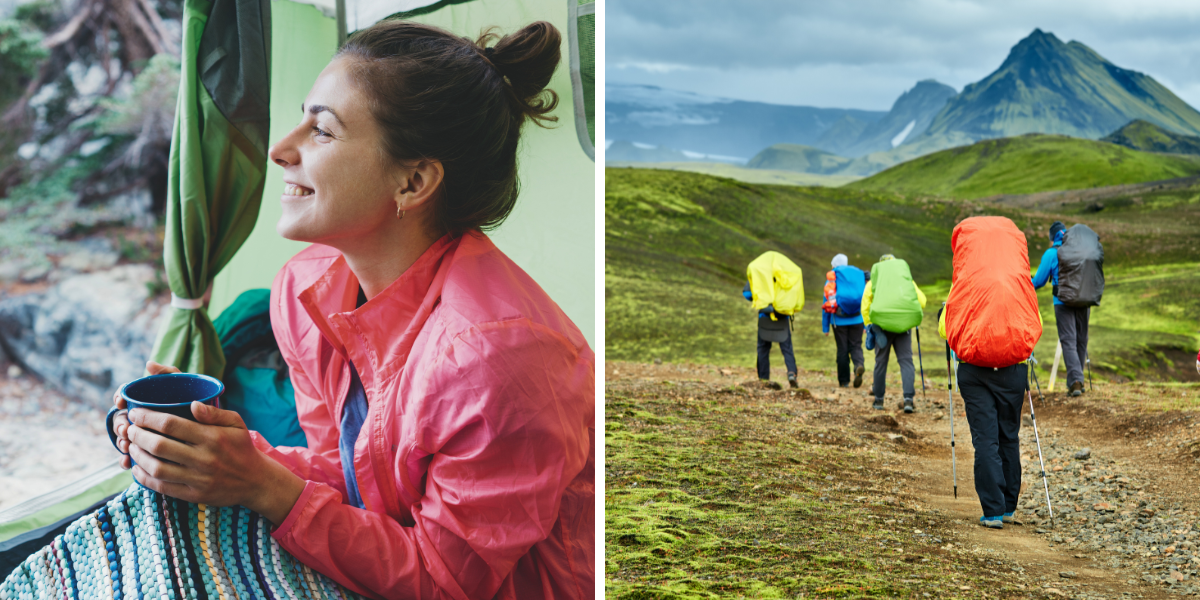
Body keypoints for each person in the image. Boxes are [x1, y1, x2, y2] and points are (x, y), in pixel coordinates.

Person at [111, 20, 594, 599]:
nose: (280, 149)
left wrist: (265, 486)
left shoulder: (499, 358)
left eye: (322, 131)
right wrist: (220, 450)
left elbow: (445, 582)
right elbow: (349, 477)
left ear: (413, 180)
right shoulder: (307, 291)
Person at [941, 216, 1042, 530]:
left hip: (975, 372)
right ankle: (1009, 505)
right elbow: (1032, 322)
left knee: (986, 440)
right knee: (1008, 436)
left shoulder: (965, 284)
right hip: (1013, 371)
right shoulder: (1019, 284)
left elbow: (945, 328)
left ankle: (993, 511)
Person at [861, 254, 926, 412]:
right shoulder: (905, 280)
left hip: (882, 325)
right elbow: (922, 301)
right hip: (903, 326)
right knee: (906, 361)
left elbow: (865, 303)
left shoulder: (875, 280)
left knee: (880, 362)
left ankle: (878, 400)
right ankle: (908, 400)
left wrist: (869, 324)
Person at [1032, 221, 1090, 397]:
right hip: (1084, 299)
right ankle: (1077, 379)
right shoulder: (1080, 250)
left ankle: (1075, 382)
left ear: (1053, 238)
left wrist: (1024, 283)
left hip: (1062, 301)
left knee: (1068, 340)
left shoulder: (1051, 253)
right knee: (1080, 339)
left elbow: (1039, 281)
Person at [822, 253, 867, 388]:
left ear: (834, 265)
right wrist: (865, 323)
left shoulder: (832, 279)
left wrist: (825, 327)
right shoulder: (857, 276)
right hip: (858, 318)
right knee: (856, 346)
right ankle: (859, 365)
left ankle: (844, 381)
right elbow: (865, 299)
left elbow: (826, 302)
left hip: (839, 320)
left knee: (842, 350)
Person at [744, 282, 799, 387]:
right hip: (783, 316)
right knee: (787, 349)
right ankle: (792, 374)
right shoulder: (785, 272)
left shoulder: (760, 270)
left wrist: (758, 298)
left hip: (764, 316)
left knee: (763, 349)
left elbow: (747, 293)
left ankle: (764, 380)